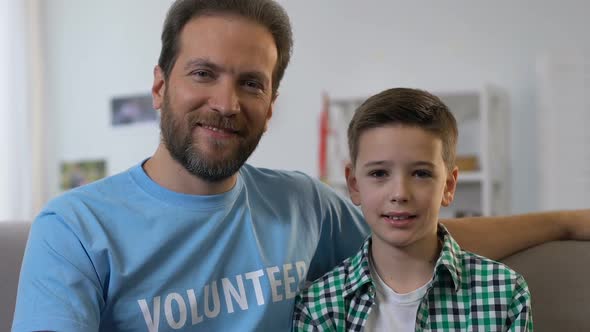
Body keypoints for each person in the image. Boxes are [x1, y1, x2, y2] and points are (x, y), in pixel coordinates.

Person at [11, 0, 589, 331]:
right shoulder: (75, 229)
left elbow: (418, 237)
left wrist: (566, 224)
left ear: (271, 105)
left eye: (251, 83)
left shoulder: (301, 203)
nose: (226, 103)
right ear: (160, 85)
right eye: (203, 73)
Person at [293, 88, 532, 331]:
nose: (400, 194)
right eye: (379, 173)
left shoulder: (504, 294)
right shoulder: (318, 306)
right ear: (354, 184)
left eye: (421, 173)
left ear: (448, 186)